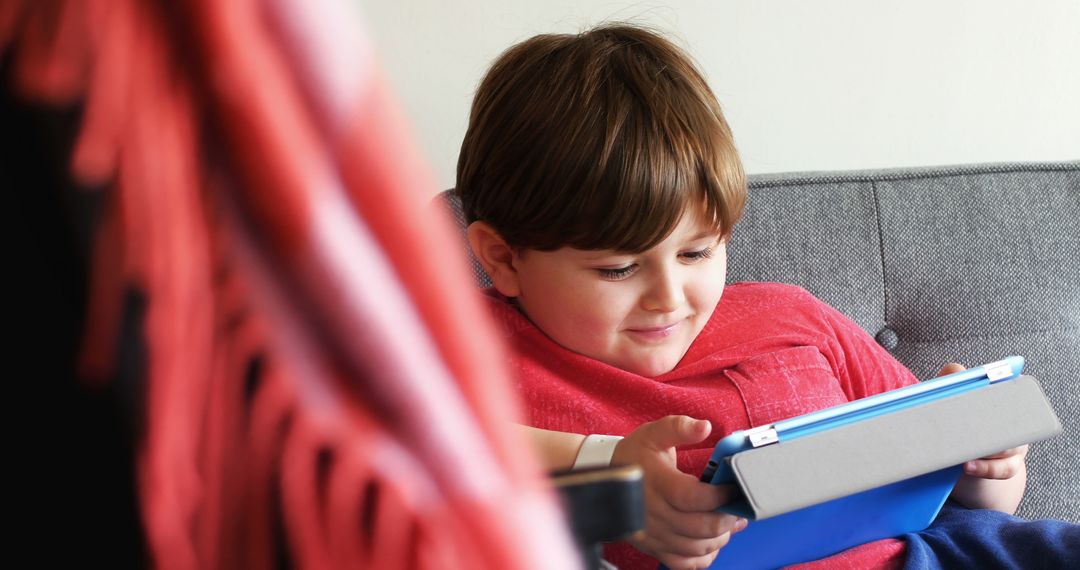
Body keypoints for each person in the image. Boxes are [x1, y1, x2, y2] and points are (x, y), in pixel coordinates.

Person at [455, 23, 1074, 570]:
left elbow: (973, 502)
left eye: (697, 253)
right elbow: (390, 449)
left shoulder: (791, 316)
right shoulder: (465, 348)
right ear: (504, 259)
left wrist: (985, 465)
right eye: (618, 269)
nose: (668, 298)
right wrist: (602, 468)